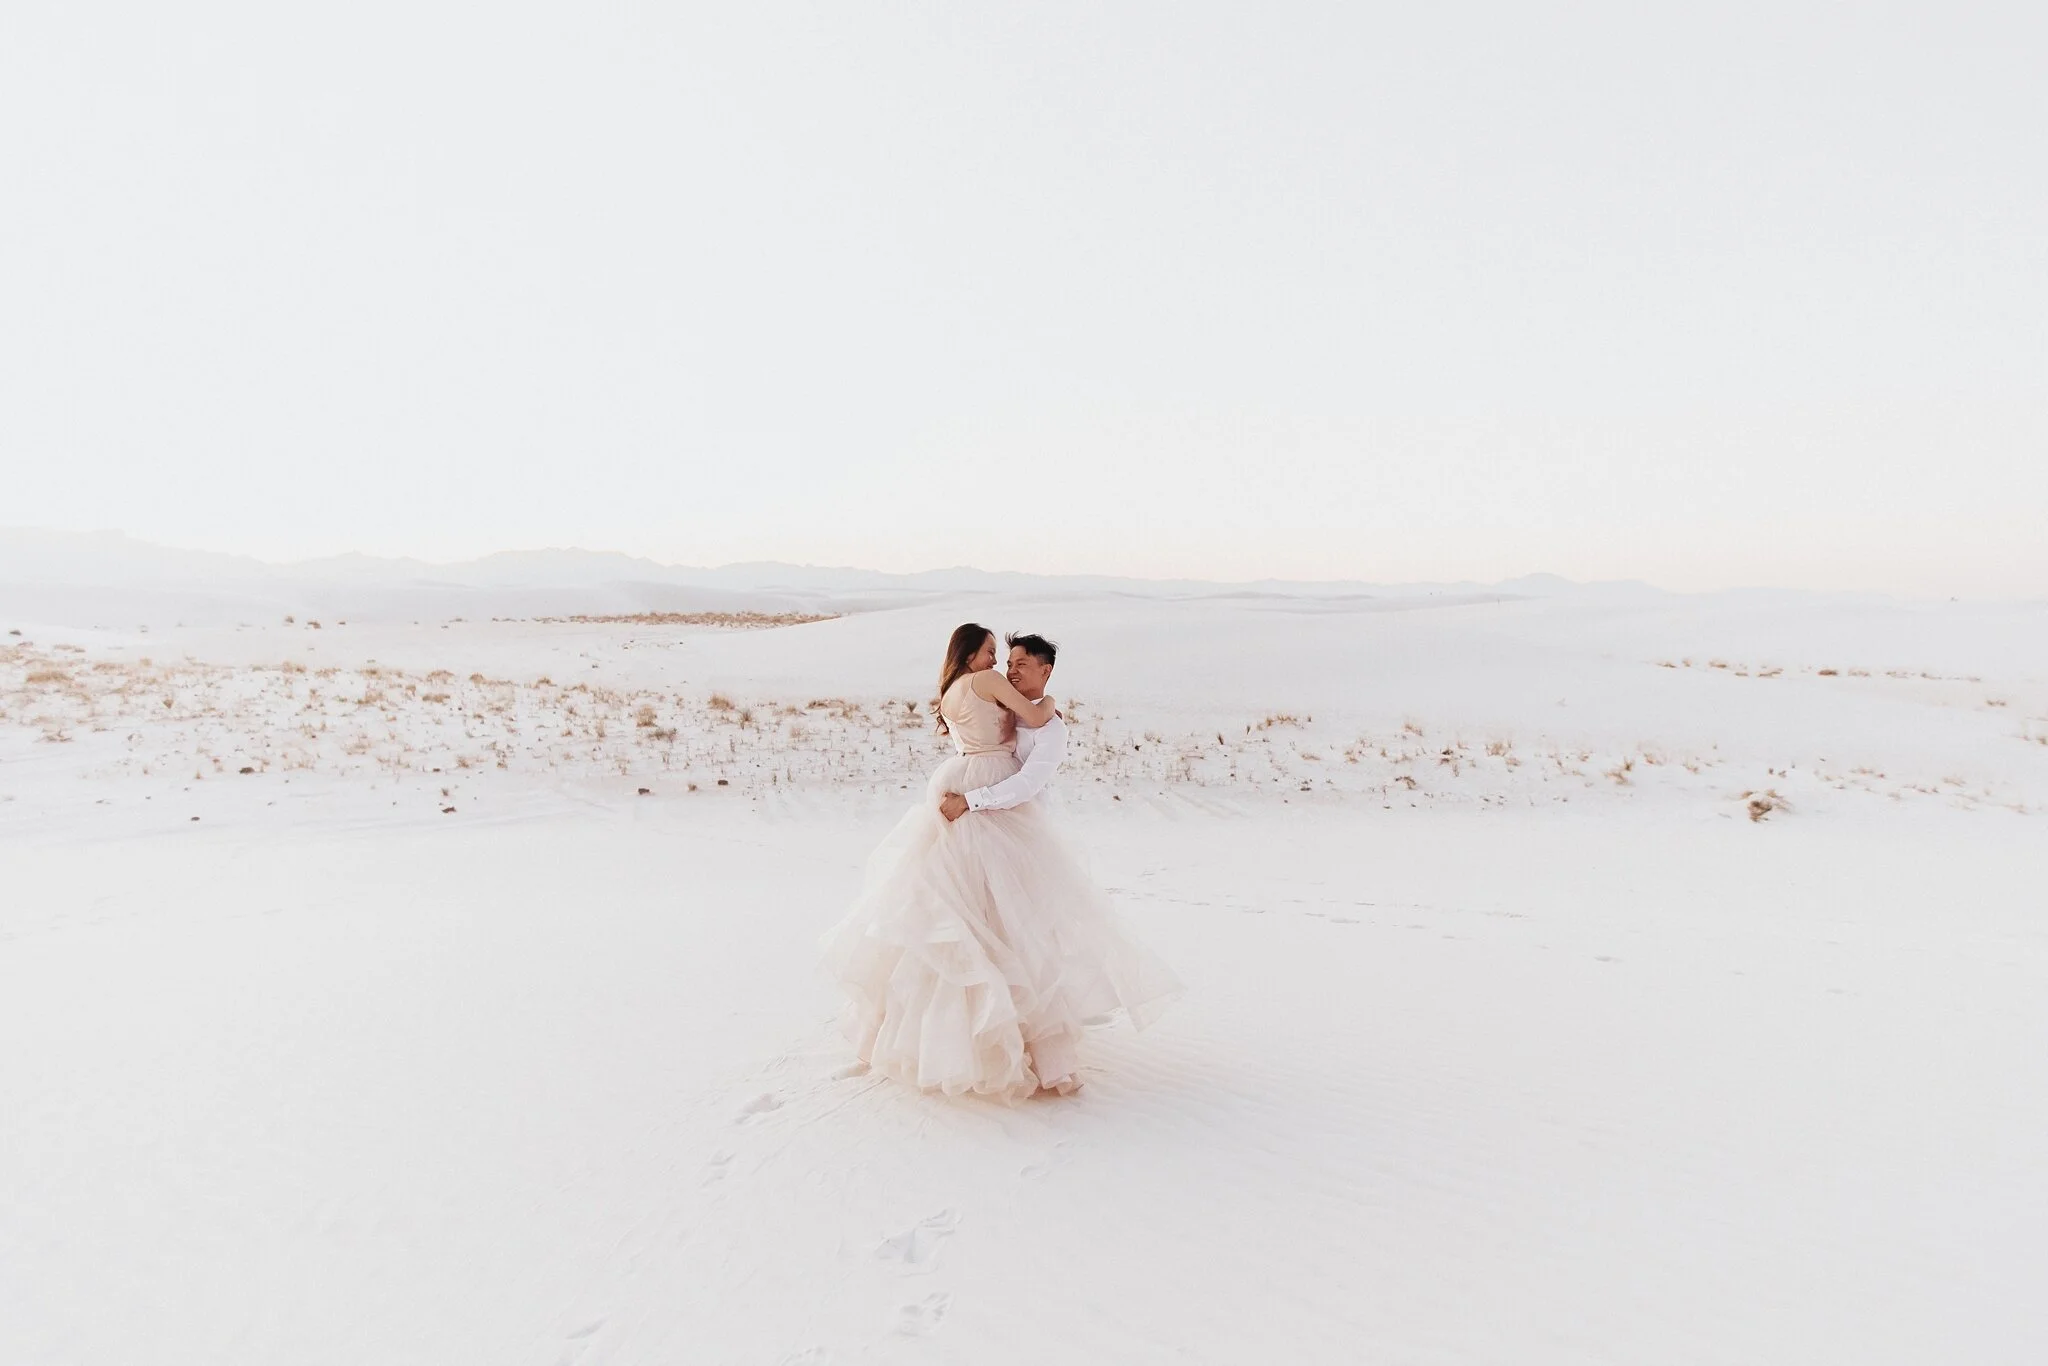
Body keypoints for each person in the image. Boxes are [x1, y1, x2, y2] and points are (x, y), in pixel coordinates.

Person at [820, 623, 1179, 1099]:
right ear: (971, 653)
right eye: (994, 654)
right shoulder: (988, 683)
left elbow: (1016, 753)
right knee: (1004, 918)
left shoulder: (954, 688)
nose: (999, 664)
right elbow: (1033, 716)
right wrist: (1049, 705)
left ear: (1043, 669)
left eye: (1010, 660)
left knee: (958, 912)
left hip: (967, 780)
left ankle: (920, 1038)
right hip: (987, 793)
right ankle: (1021, 1047)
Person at [936, 632, 1064, 824]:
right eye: (1009, 665)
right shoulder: (997, 713)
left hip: (1018, 818)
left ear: (1045, 670)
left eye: (1021, 664)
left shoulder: (1052, 728)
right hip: (971, 808)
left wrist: (967, 801)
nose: (1011, 672)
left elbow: (1028, 783)